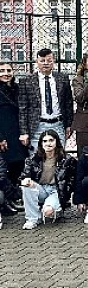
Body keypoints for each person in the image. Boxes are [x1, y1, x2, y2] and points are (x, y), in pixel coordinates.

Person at [19, 130, 77, 230]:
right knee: (27, 186)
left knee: (48, 211)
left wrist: (66, 194)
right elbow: (24, 174)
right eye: (45, 141)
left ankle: (55, 209)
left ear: (57, 142)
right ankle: (32, 219)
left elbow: (73, 180)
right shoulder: (34, 158)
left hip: (56, 191)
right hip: (41, 188)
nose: (48, 143)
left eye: (51, 140)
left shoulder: (67, 159)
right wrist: (26, 179)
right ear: (41, 143)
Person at [18, 48, 73, 149]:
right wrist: (24, 132)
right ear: (37, 62)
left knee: (59, 157)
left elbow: (68, 103)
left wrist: (69, 125)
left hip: (58, 124)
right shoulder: (26, 81)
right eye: (42, 61)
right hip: (37, 125)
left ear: (53, 61)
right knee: (36, 158)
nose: (45, 63)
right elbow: (23, 108)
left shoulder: (62, 78)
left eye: (49, 60)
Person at [0, 60, 24, 211]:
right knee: (4, 167)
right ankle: (5, 201)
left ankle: (11, 197)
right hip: (3, 133)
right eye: (2, 71)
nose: (6, 74)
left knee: (18, 164)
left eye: (8, 70)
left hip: (16, 132)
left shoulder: (16, 88)